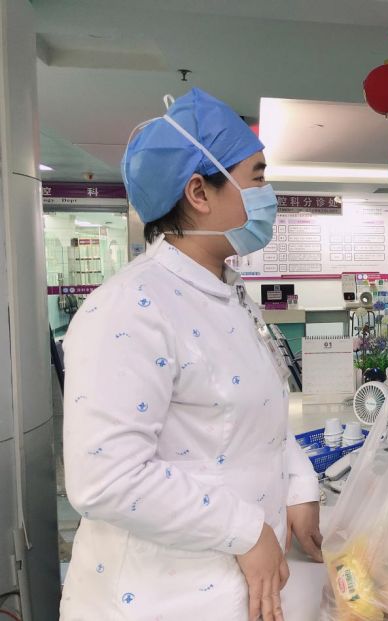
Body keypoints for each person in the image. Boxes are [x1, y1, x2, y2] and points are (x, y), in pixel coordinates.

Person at [60, 88, 321, 621]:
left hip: (237, 587)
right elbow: (105, 479)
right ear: (199, 192)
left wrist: (298, 484)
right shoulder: (132, 308)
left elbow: (255, 417)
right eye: (258, 178)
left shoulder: (226, 292)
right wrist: (246, 531)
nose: (268, 195)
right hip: (160, 598)